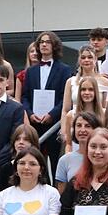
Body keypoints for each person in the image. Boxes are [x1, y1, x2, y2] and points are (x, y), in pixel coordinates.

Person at [21, 31, 71, 173]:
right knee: (35, 161)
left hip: (54, 124)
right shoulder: (30, 71)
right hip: (35, 124)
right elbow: (24, 97)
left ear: (54, 46)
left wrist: (52, 114)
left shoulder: (64, 69)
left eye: (48, 42)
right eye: (41, 42)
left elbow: (65, 98)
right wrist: (30, 114)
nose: (44, 44)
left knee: (55, 162)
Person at [61, 45, 108, 127]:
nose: (86, 60)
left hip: (97, 125)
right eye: (83, 57)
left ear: (95, 59)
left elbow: (105, 109)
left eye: (90, 57)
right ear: (79, 60)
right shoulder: (70, 81)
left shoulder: (105, 82)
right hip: (74, 124)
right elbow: (65, 110)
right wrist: (64, 131)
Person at [55, 112, 101, 193]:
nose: (82, 130)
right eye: (79, 125)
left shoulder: (102, 157)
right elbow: (62, 194)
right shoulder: (65, 160)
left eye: (87, 126)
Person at [63, 77, 104, 153]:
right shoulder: (71, 115)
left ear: (96, 92)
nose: (87, 92)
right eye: (83, 89)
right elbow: (69, 144)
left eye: (90, 89)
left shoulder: (104, 115)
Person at [0, 124, 41, 193]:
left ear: (33, 143)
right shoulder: (5, 169)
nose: (21, 142)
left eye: (26, 139)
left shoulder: (40, 166)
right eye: (17, 139)